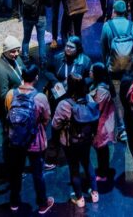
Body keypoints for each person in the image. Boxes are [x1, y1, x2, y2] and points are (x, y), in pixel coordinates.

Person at [4, 66, 55, 215]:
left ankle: (14, 202)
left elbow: (8, 114)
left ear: (22, 76)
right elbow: (46, 119)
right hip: (35, 142)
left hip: (15, 142)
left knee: (16, 173)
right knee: (38, 173)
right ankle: (42, 204)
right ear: (36, 78)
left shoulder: (10, 94)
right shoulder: (40, 97)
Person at [52, 74, 100, 207]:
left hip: (70, 143)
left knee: (74, 168)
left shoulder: (64, 104)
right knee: (87, 163)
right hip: (86, 140)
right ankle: (95, 193)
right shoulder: (89, 98)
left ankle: (79, 199)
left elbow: (55, 125)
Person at [89, 63, 117, 184]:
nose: (89, 73)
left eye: (91, 71)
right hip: (102, 123)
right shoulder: (100, 86)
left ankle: (103, 173)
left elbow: (96, 108)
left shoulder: (101, 90)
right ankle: (103, 171)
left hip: (101, 125)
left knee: (101, 150)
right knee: (101, 149)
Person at [0, 35, 24, 130]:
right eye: (13, 51)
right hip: (12, 107)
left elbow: (24, 72)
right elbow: (3, 95)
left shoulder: (17, 59)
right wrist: (21, 93)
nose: (16, 54)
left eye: (18, 50)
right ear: (5, 51)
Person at [20, 0, 51, 65]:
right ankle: (43, 60)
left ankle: (25, 58)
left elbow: (20, 0)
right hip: (40, 16)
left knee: (26, 38)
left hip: (27, 16)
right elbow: (49, 4)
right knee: (41, 39)